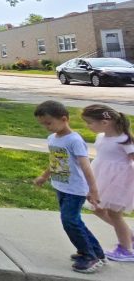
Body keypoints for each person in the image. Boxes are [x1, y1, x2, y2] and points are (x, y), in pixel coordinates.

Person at [33, 100, 104, 274]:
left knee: (69, 221)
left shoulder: (74, 140)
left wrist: (93, 190)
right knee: (74, 221)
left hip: (75, 189)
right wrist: (44, 176)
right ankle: (96, 252)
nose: (46, 127)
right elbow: (56, 161)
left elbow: (86, 166)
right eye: (43, 124)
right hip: (62, 187)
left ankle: (90, 257)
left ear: (64, 119)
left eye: (49, 123)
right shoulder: (52, 138)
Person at [81, 104, 134, 262]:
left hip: (119, 181)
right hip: (101, 177)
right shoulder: (101, 137)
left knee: (114, 214)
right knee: (97, 209)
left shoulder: (124, 140)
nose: (88, 126)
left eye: (90, 123)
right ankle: (129, 235)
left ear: (104, 122)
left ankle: (126, 249)